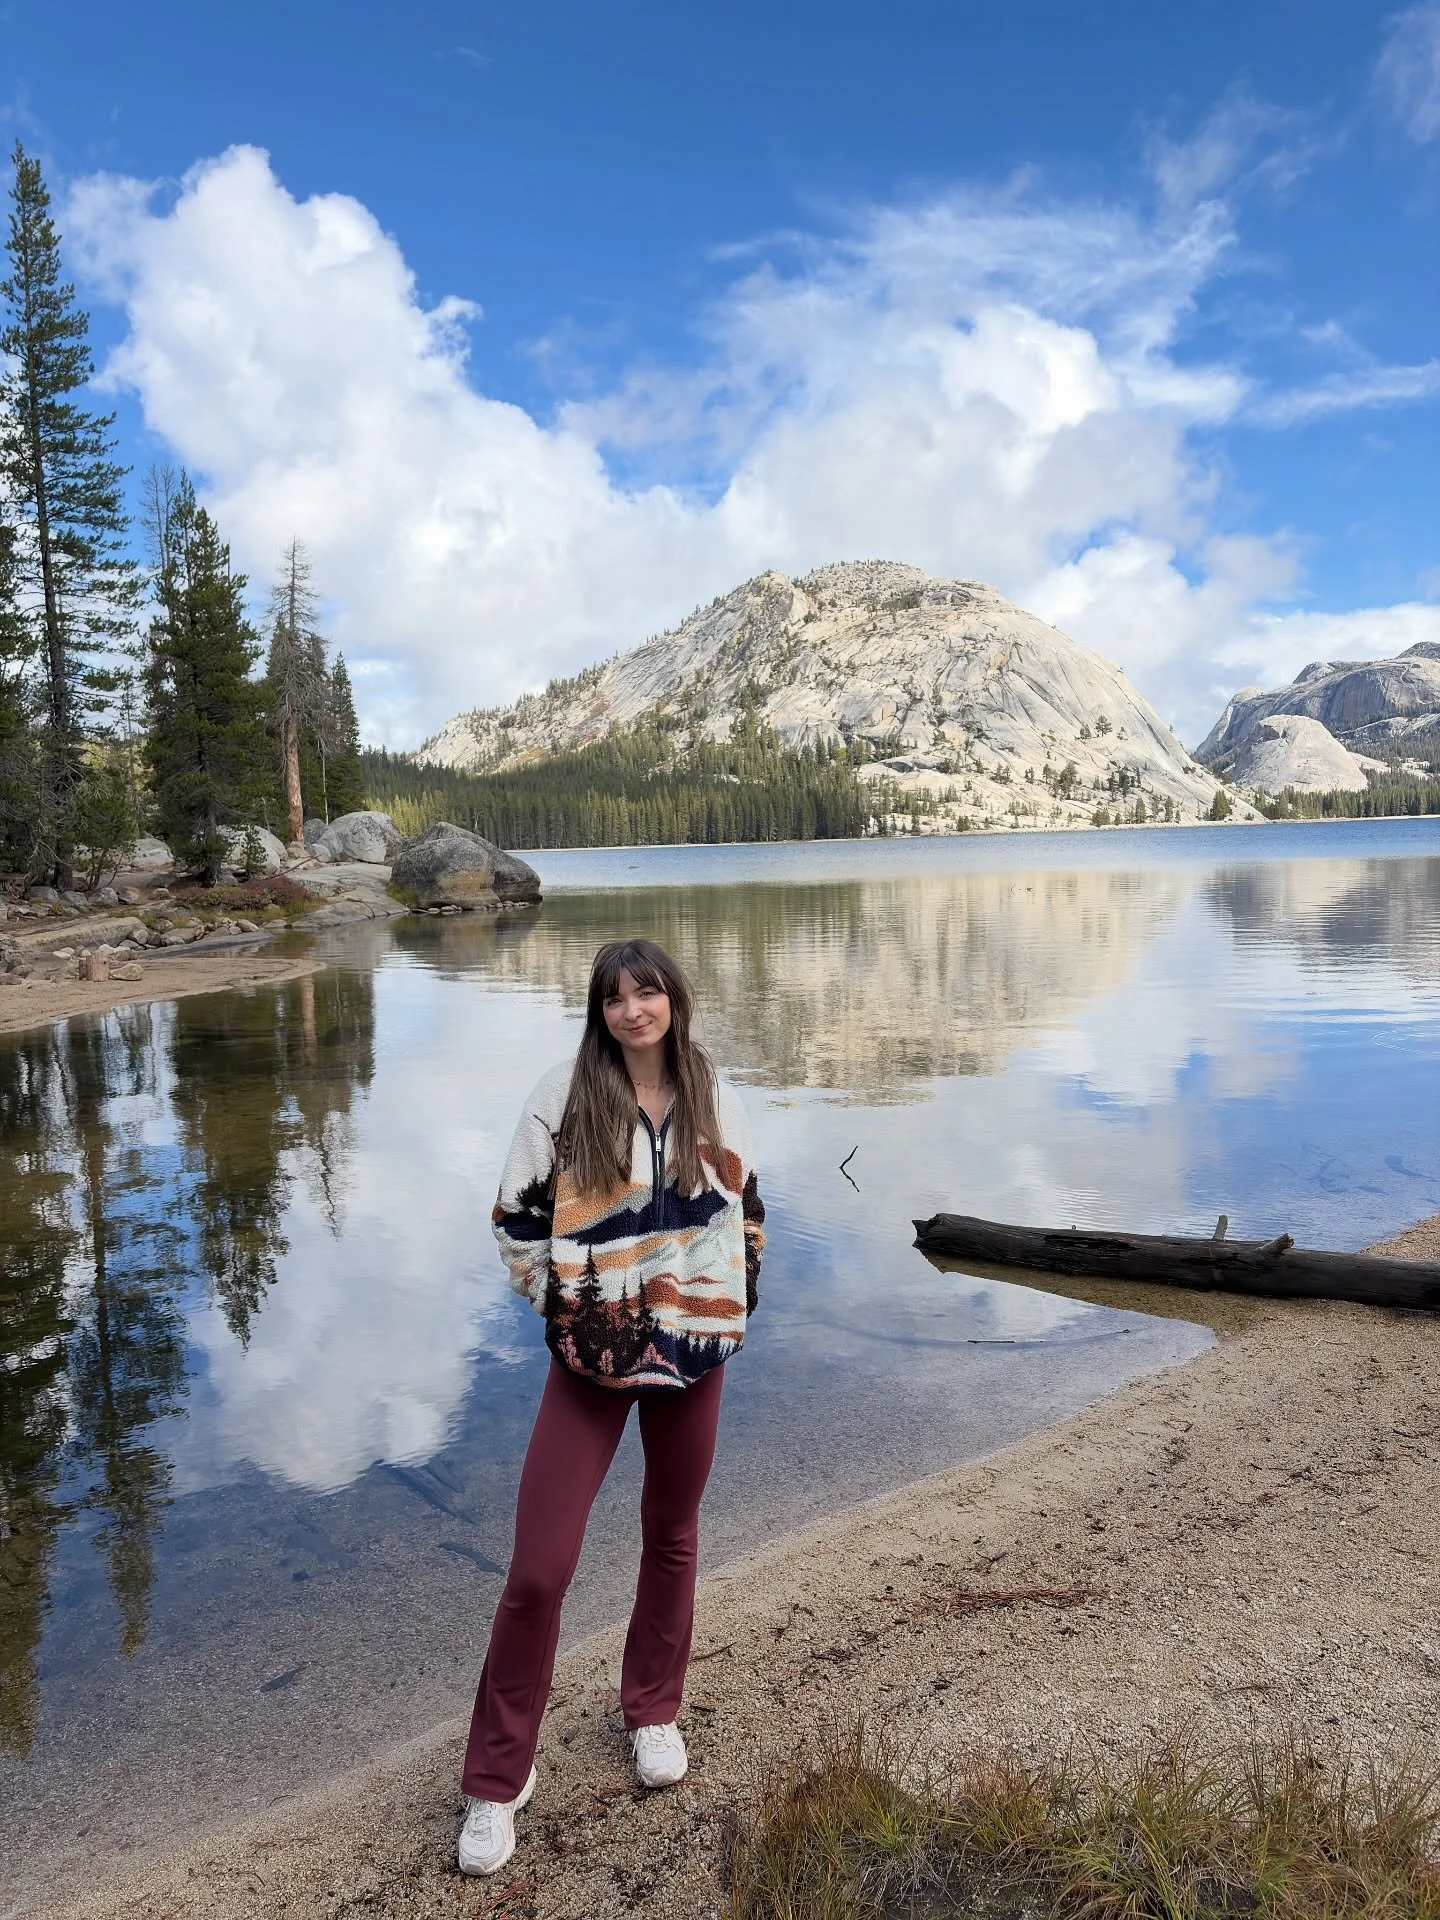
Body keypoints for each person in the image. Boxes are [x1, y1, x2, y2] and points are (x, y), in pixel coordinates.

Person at [456, 936, 766, 1878]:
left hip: (692, 1357)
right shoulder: (565, 1093)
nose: (635, 1011)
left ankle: (654, 1711)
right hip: (593, 1364)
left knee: (672, 1535)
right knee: (540, 1568)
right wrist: (578, 1314)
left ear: (675, 998)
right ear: (598, 1011)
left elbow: (746, 1204)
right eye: (617, 998)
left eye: (649, 993)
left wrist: (729, 1296)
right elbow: (514, 1220)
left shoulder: (710, 1087)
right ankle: (497, 1779)